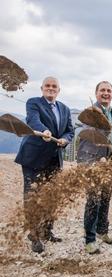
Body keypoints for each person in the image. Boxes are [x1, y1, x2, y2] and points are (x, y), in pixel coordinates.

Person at [15, 76, 74, 253]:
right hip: (33, 157)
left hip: (54, 159)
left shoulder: (64, 109)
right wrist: (44, 131)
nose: (50, 88)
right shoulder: (33, 103)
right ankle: (34, 235)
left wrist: (65, 139)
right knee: (32, 196)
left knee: (52, 196)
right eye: (47, 86)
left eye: (54, 86)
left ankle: (47, 231)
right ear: (42, 88)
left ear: (58, 90)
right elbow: (33, 121)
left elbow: (70, 131)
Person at [76, 81, 112, 254]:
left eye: (109, 90)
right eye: (102, 90)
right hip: (91, 160)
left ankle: (102, 231)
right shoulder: (90, 112)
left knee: (106, 197)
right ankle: (90, 240)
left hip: (109, 161)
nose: (106, 93)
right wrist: (98, 157)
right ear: (96, 93)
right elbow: (88, 133)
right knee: (93, 200)